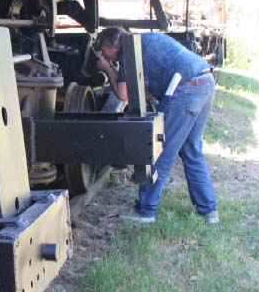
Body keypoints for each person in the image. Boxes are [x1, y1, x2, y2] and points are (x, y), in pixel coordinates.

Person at [94, 27, 219, 224]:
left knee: (160, 150)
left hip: (186, 87)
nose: (105, 56)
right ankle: (209, 211)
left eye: (104, 52)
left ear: (112, 46)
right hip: (205, 80)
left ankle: (146, 211)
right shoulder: (144, 40)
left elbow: (123, 94)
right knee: (191, 150)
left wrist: (106, 68)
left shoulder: (129, 48)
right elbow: (143, 91)